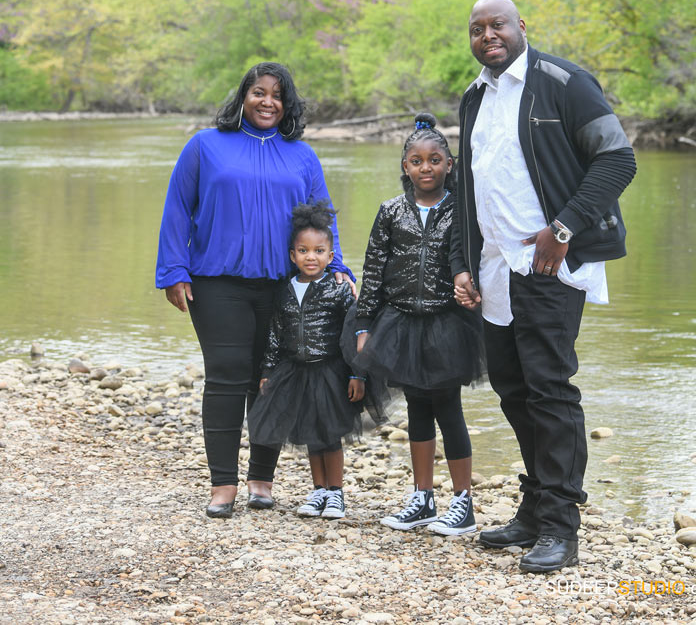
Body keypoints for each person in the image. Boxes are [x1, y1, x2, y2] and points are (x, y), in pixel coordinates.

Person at [450, 0, 637, 573]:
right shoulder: (474, 97)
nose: (489, 36)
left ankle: (561, 526)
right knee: (512, 386)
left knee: (551, 389)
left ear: (520, 26)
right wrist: (462, 261)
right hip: (495, 266)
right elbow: (468, 186)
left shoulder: (565, 81)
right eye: (478, 29)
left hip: (552, 264)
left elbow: (618, 160)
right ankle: (533, 509)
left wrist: (564, 227)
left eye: (498, 25)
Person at [155, 62, 355, 519]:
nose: (268, 102)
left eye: (277, 95)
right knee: (227, 376)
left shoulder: (301, 155)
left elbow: (321, 218)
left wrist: (336, 266)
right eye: (258, 92)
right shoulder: (205, 146)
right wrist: (173, 270)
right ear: (242, 96)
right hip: (216, 281)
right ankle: (222, 484)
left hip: (285, 288)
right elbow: (177, 209)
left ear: (288, 105)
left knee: (270, 381)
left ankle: (261, 479)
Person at [356, 113, 483, 536]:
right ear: (405, 166)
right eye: (416, 160)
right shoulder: (390, 212)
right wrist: (363, 324)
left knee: (448, 407)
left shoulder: (463, 210)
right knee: (417, 410)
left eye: (434, 160)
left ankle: (462, 502)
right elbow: (373, 270)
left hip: (448, 323)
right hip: (402, 322)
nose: (425, 168)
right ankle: (422, 497)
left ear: (449, 164)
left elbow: (474, 259)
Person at [248, 200, 374, 520]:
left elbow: (353, 332)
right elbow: (276, 333)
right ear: (293, 255)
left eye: (319, 251)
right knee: (310, 435)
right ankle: (318, 490)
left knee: (330, 435)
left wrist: (357, 374)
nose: (311, 257)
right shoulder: (285, 290)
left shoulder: (338, 290)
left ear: (331, 257)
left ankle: (336, 493)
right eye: (303, 251)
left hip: (330, 371)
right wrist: (267, 369)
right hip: (297, 372)